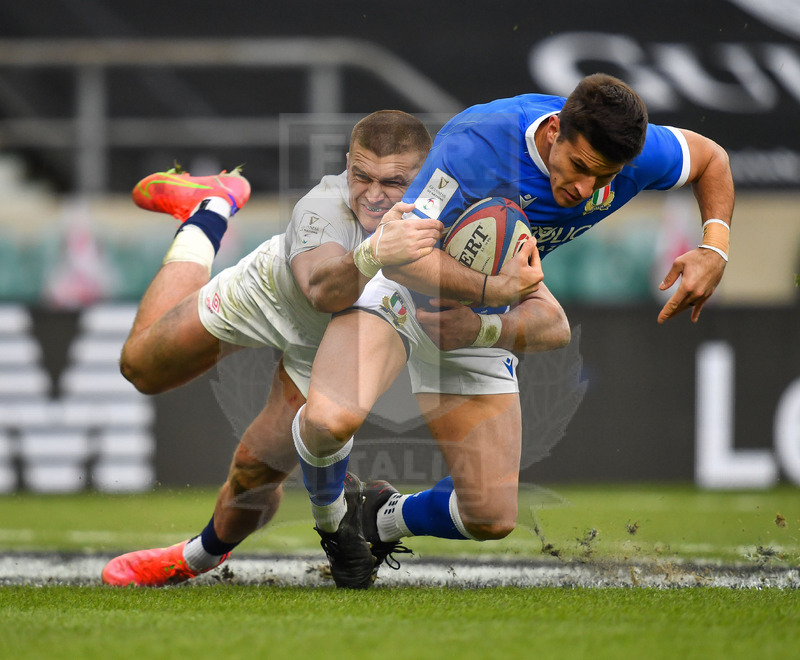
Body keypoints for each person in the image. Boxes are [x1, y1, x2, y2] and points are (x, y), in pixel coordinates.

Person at [291, 73, 735, 588]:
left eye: (605, 177)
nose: (585, 190)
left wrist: (714, 247)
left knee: (489, 516)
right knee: (328, 420)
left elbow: (712, 159)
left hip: (479, 308)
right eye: (578, 167)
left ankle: (377, 517)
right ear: (553, 132)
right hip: (403, 290)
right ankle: (334, 525)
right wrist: (496, 286)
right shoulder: (475, 144)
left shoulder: (635, 153)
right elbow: (401, 258)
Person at [101, 109, 543, 587]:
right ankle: (210, 208)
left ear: (426, 176)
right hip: (275, 294)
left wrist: (494, 302)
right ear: (347, 164)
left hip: (331, 341)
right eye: (362, 176)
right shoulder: (323, 205)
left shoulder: (459, 214)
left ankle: (195, 557)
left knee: (253, 474)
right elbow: (321, 291)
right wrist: (376, 252)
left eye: (394, 182)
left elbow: (549, 318)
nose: (373, 195)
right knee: (141, 368)